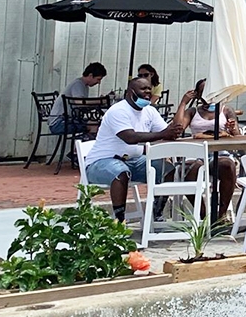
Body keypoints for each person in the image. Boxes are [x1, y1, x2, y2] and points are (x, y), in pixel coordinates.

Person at [83, 75, 197, 222]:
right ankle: (119, 220)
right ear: (130, 92)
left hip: (133, 161)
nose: (148, 92)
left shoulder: (150, 111)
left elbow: (167, 133)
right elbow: (130, 137)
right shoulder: (118, 111)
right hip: (101, 163)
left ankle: (157, 213)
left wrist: (176, 123)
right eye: (143, 89)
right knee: (121, 172)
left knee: (166, 168)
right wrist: (163, 134)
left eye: (149, 89)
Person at [182, 94, 241, 219]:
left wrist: (231, 129)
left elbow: (237, 135)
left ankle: (221, 215)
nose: (209, 96)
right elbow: (177, 128)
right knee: (191, 169)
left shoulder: (226, 110)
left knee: (227, 165)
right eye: (204, 92)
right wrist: (183, 103)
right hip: (196, 154)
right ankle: (204, 215)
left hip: (220, 153)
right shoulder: (192, 111)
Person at [49, 62, 108, 135]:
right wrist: (100, 101)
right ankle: (85, 146)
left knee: (95, 123)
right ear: (90, 75)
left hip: (65, 120)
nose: (99, 82)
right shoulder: (78, 84)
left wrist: (99, 102)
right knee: (94, 126)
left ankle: (81, 145)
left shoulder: (84, 86)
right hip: (59, 123)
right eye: (98, 79)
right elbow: (80, 103)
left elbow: (82, 106)